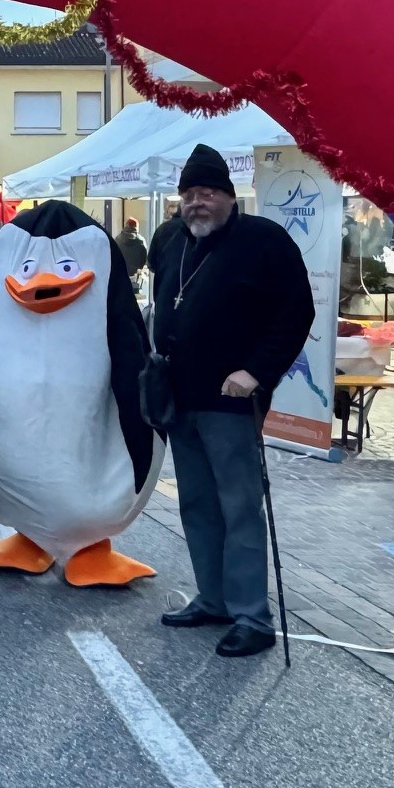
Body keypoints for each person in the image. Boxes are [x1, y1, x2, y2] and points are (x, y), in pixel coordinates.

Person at [147, 144, 313, 659]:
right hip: (180, 395)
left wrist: (257, 372)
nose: (198, 202)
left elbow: (295, 314)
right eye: (189, 194)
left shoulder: (265, 241)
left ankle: (251, 617)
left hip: (230, 399)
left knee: (239, 506)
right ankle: (213, 598)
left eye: (209, 193)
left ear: (228, 195)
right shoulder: (170, 238)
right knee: (196, 503)